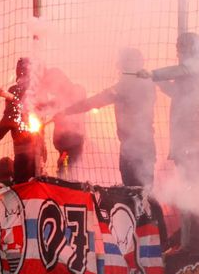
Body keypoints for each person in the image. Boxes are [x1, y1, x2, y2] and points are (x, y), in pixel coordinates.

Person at [58, 48, 156, 188]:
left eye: (122, 63)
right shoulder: (145, 82)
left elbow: (97, 100)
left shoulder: (128, 84)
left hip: (136, 148)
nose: (118, 67)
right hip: (138, 146)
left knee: (136, 191)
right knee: (142, 191)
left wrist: (66, 111)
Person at [137, 32, 199, 182]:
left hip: (195, 140)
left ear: (191, 49)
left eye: (180, 49)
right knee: (188, 184)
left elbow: (181, 70)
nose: (178, 54)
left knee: (195, 184)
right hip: (185, 140)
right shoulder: (194, 73)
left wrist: (153, 74)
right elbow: (176, 92)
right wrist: (156, 80)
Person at [0, 57, 41, 182]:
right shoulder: (35, 90)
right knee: (35, 186)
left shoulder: (20, 91)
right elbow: (10, 117)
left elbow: (9, 118)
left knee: (24, 188)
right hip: (35, 150)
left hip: (25, 151)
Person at [38, 67, 87, 179]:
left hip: (73, 144)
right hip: (63, 146)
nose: (50, 91)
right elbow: (46, 105)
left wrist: (62, 113)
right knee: (63, 173)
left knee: (70, 175)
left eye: (50, 85)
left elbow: (76, 104)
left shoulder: (77, 90)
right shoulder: (58, 98)